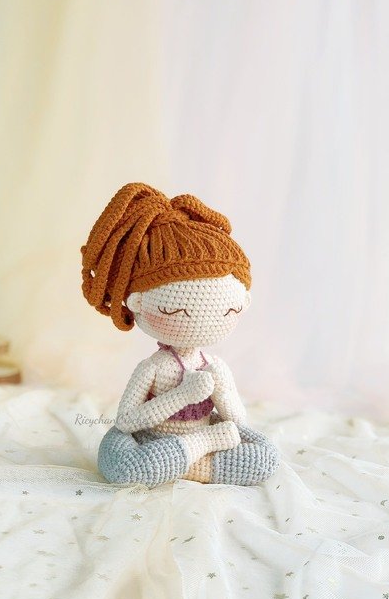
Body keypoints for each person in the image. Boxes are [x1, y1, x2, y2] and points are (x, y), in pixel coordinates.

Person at [81, 182, 280, 487]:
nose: (201, 320)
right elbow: (127, 421)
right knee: (121, 464)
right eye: (176, 311)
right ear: (137, 303)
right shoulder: (153, 368)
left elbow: (237, 421)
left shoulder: (214, 367)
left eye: (229, 310)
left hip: (186, 440)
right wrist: (184, 396)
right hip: (151, 440)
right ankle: (198, 455)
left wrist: (222, 392)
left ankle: (171, 466)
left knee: (265, 457)